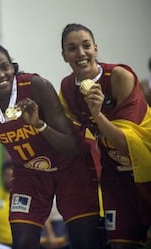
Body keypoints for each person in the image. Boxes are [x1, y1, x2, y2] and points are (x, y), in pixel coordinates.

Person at [0, 43, 100, 249]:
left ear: (13, 67)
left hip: (69, 168)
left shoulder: (36, 86)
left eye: (5, 67)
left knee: (84, 241)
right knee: (22, 242)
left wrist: (39, 125)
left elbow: (72, 148)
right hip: (29, 173)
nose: (0, 74)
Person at [59, 23, 151, 249]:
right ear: (64, 56)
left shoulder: (120, 76)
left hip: (146, 168)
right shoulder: (68, 88)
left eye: (86, 45)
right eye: (72, 48)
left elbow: (128, 145)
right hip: (115, 178)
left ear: (96, 49)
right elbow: (70, 134)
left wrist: (98, 116)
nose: (81, 53)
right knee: (121, 244)